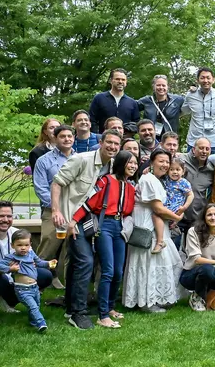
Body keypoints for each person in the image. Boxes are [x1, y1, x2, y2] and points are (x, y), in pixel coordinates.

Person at [51, 129, 121, 329]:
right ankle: (78, 313)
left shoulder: (113, 166)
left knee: (76, 263)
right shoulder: (81, 160)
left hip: (93, 220)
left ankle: (71, 307)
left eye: (116, 144)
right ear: (101, 142)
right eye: (109, 142)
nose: (112, 147)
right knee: (85, 261)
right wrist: (56, 211)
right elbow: (57, 183)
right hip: (74, 220)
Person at [69, 150, 137, 328]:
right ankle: (103, 315)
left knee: (118, 271)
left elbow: (128, 210)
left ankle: (110, 307)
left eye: (135, 163)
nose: (133, 166)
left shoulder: (130, 187)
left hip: (120, 227)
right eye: (130, 162)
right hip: (104, 225)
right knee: (107, 270)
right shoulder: (105, 181)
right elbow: (89, 202)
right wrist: (74, 220)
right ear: (121, 163)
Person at [123, 150, 184, 313]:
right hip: (147, 223)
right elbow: (157, 208)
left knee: (161, 260)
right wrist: (177, 218)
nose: (165, 165)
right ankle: (146, 302)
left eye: (167, 162)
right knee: (147, 261)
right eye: (161, 161)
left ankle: (159, 296)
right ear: (152, 162)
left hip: (157, 223)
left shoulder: (156, 180)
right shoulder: (148, 179)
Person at [33, 124, 74, 288]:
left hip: (74, 212)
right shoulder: (44, 161)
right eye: (62, 136)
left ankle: (70, 289)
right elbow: (41, 188)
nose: (67, 139)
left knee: (72, 251)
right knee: (47, 249)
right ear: (55, 139)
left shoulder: (80, 159)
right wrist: (57, 206)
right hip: (52, 212)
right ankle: (32, 285)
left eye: (70, 136)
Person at [0, 230, 55, 332]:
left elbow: (39, 262)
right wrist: (10, 268)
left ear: (30, 244)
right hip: (22, 289)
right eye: (19, 245)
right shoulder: (11, 257)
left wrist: (49, 263)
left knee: (36, 305)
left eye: (26, 245)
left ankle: (32, 322)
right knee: (33, 307)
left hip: (35, 287)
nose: (23, 248)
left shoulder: (31, 254)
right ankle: (41, 323)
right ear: (12, 245)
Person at [182, 67, 215, 154]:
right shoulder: (190, 95)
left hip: (213, 143)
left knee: (214, 163)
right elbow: (182, 111)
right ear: (197, 80)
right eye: (202, 78)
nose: (205, 81)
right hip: (194, 142)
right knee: (190, 163)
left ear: (213, 80)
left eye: (208, 78)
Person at [151, 157, 192, 253]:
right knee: (162, 221)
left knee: (156, 216)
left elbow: (190, 195)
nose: (175, 172)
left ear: (183, 171)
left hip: (175, 208)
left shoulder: (184, 182)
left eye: (178, 169)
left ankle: (160, 242)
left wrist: (185, 207)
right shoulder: (166, 179)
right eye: (172, 169)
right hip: (166, 206)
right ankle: (162, 240)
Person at [179, 138, 214, 246]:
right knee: (173, 249)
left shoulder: (211, 169)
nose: (204, 151)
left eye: (207, 149)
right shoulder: (181, 160)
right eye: (201, 148)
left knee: (193, 249)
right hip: (177, 214)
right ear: (194, 149)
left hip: (196, 217)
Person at [88, 68, 140, 133]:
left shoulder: (132, 102)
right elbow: (92, 119)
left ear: (126, 82)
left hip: (125, 138)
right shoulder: (99, 98)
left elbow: (136, 123)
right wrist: (97, 135)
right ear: (111, 80)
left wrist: (128, 133)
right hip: (103, 137)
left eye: (123, 79)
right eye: (117, 79)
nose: (120, 81)